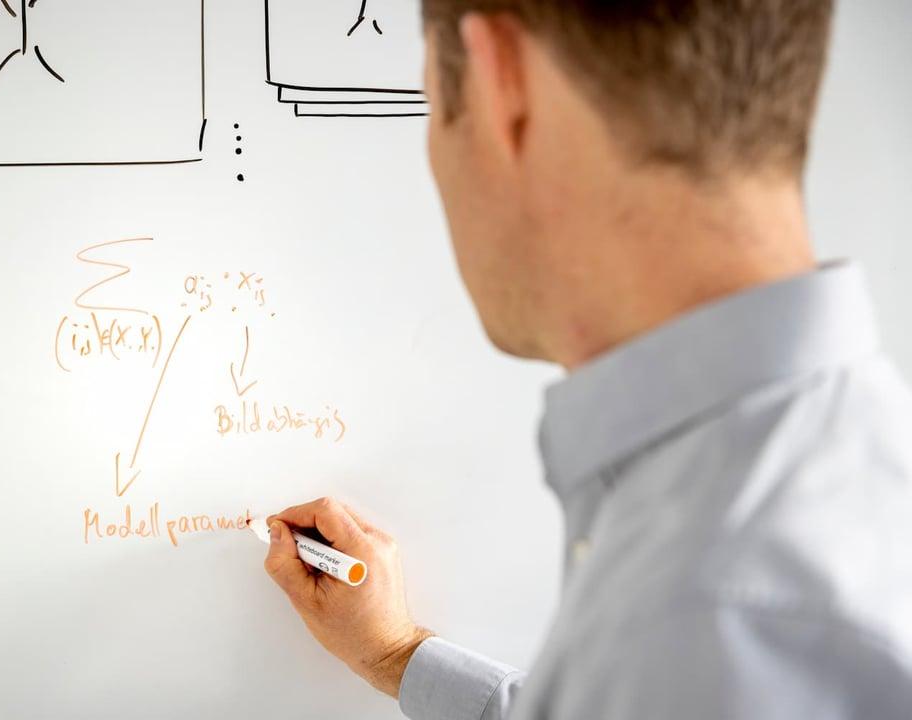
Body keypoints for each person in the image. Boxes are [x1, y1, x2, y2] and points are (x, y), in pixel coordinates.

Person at [263, 2, 912, 718]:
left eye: (432, 110)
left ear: (498, 82)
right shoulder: (823, 488)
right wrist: (394, 654)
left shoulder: (719, 620)